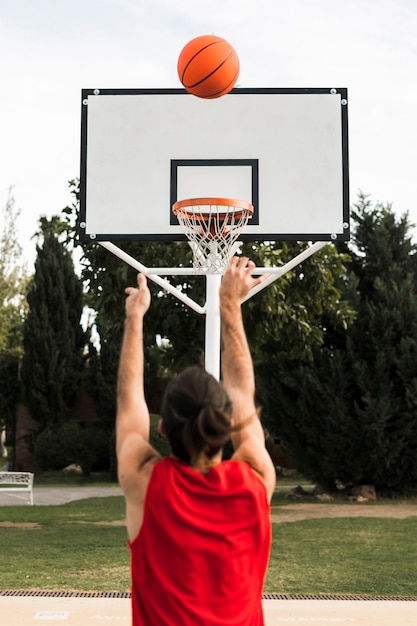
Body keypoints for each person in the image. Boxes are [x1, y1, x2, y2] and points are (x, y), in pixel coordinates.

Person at [116, 256, 276, 626]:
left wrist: (135, 318)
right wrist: (230, 306)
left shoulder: (146, 482)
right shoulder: (255, 481)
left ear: (163, 429)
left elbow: (129, 406)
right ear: (228, 426)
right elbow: (240, 390)